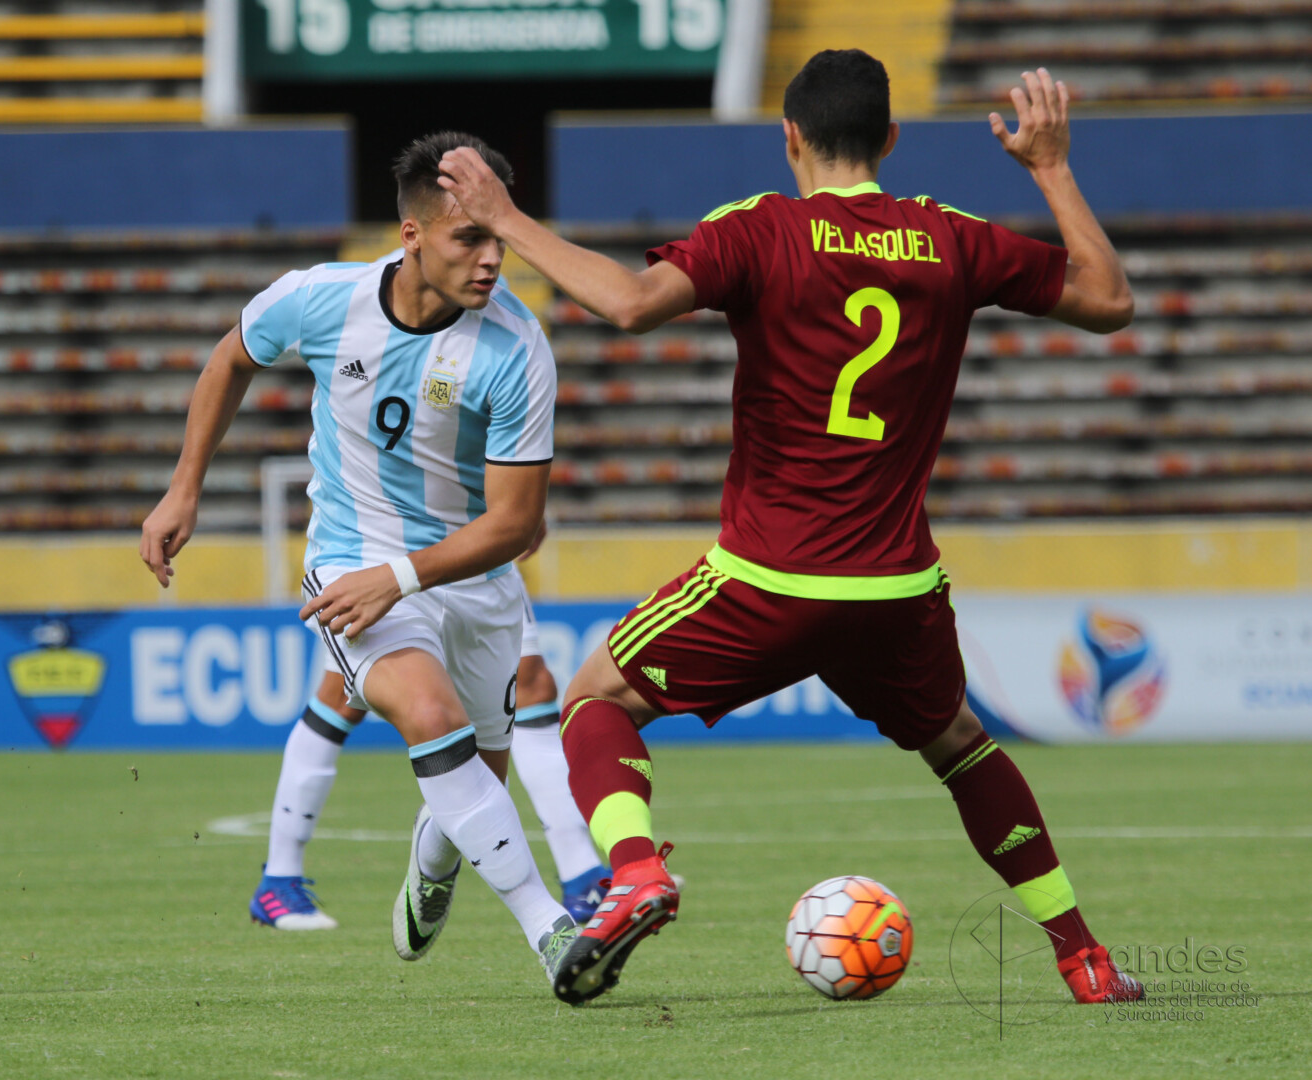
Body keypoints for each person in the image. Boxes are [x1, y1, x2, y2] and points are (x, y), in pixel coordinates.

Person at [438, 52, 1145, 1006]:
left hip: (769, 578)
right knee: (962, 746)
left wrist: (507, 217)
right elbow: (1109, 302)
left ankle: (637, 872)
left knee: (596, 695)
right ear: (891, 141)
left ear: (790, 139)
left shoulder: (761, 231)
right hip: (896, 589)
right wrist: (1051, 167)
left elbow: (627, 304)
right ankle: (1082, 956)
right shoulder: (951, 238)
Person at [142, 132, 580, 979]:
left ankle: (435, 862)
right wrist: (184, 487)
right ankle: (553, 930)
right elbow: (232, 357)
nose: (492, 260)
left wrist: (404, 578)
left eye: (499, 239)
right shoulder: (319, 299)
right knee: (429, 716)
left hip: (471, 574)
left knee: (479, 770)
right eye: (469, 239)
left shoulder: (518, 347)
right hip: (352, 557)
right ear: (412, 236)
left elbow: (516, 525)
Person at [249, 582, 610, 931]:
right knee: (342, 698)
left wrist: (519, 519)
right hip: (385, 552)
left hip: (475, 562)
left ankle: (581, 873)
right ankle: (280, 877)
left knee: (532, 684)